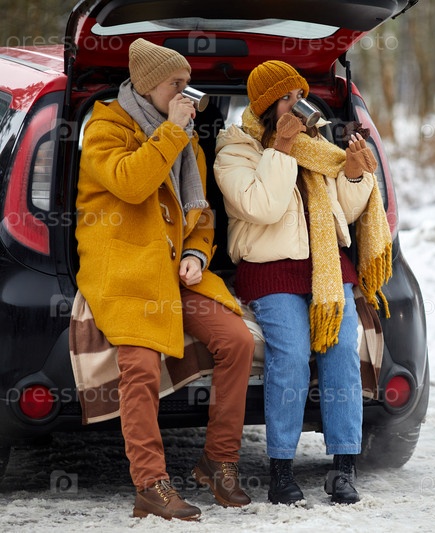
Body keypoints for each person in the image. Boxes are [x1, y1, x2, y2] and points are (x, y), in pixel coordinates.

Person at [75, 38, 255, 521]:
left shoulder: (185, 138)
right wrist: (173, 131)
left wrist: (196, 253)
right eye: (176, 83)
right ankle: (150, 485)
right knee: (140, 364)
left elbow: (200, 214)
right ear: (148, 85)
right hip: (126, 268)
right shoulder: (105, 128)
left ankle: (218, 462)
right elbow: (133, 183)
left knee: (237, 340)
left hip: (174, 272)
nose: (186, 93)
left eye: (187, 83)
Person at [213, 60, 392, 505]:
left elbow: (345, 213)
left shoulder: (317, 146)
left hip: (328, 269)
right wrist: (283, 146)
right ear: (265, 105)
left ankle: (344, 467)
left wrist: (354, 174)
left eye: (301, 96)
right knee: (291, 355)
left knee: (341, 353)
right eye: (287, 98)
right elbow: (265, 206)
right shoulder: (235, 151)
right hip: (270, 269)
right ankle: (280, 470)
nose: (299, 105)